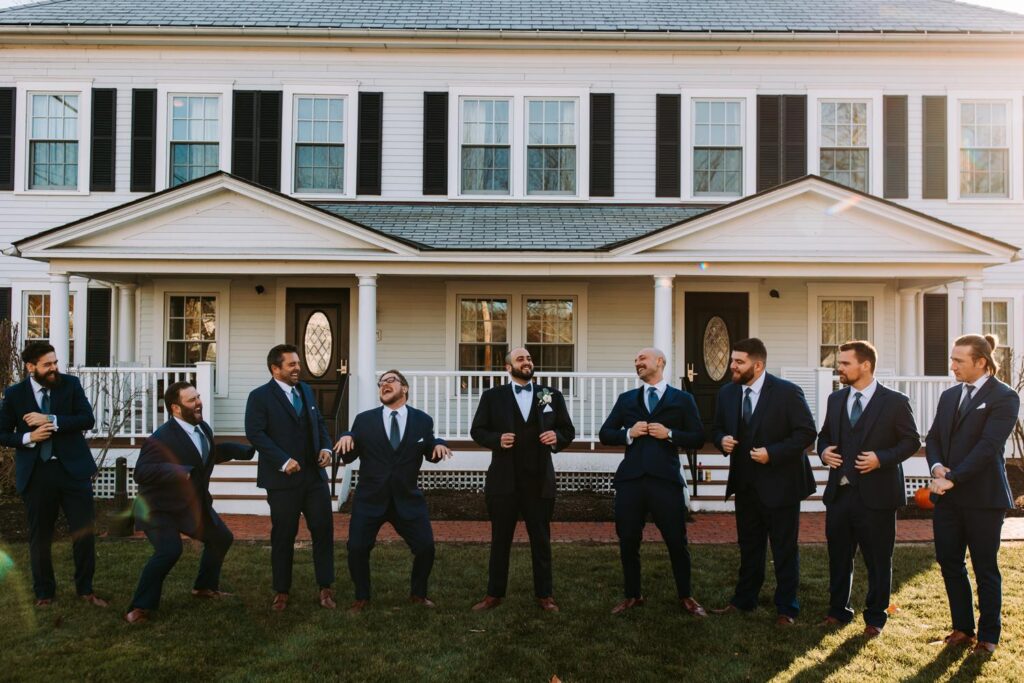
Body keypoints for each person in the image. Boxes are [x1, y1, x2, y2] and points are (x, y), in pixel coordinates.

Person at [125, 381, 255, 624]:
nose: (199, 403)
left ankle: (204, 588)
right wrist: (176, 470)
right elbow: (141, 472)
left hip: (191, 505)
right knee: (169, 551)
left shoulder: (202, 428)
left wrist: (245, 450)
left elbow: (207, 454)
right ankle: (140, 607)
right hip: (159, 508)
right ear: (175, 408)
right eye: (192, 400)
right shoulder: (161, 438)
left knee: (221, 538)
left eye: (198, 397)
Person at [711, 337, 816, 625]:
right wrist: (722, 440)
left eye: (738, 362)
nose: (732, 366)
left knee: (784, 548)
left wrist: (773, 453)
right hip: (745, 484)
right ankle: (744, 600)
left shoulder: (787, 392)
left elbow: (807, 433)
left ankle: (786, 608)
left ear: (757, 366)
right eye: (733, 360)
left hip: (781, 484)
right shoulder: (727, 393)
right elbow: (717, 427)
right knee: (749, 546)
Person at [816, 341, 919, 637]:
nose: (840, 367)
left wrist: (881, 458)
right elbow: (823, 436)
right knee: (838, 556)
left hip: (878, 496)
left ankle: (875, 618)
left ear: (865, 366)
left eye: (845, 363)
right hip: (840, 494)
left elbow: (911, 440)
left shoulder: (895, 401)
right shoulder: (836, 400)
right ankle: (838, 611)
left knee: (877, 559)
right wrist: (823, 452)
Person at [926, 334, 1019, 655]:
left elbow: (988, 446)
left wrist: (954, 478)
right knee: (949, 561)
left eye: (959, 361)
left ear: (981, 362)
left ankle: (988, 637)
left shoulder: (1005, 397)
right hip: (947, 497)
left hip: (984, 499)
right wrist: (937, 466)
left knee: (984, 566)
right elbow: (935, 435)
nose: (952, 366)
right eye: (952, 359)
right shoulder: (950, 395)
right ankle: (962, 629)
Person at [599, 347, 707, 616]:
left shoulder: (682, 399)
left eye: (642, 359)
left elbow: (698, 437)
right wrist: (628, 433)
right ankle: (632, 595)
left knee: (676, 540)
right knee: (628, 539)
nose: (637, 363)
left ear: (660, 362)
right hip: (631, 481)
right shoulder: (626, 400)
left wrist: (670, 433)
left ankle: (686, 596)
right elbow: (605, 433)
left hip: (665, 480)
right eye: (635, 360)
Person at [334, 370, 451, 613]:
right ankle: (362, 596)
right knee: (357, 548)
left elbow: (429, 448)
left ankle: (418, 594)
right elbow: (350, 450)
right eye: (381, 383)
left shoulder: (422, 420)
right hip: (370, 498)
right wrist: (345, 437)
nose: (384, 385)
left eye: (390, 381)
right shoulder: (364, 420)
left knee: (426, 548)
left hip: (407, 498)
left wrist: (439, 443)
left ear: (404, 388)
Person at [0, 341, 106, 608]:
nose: (54, 368)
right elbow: (2, 433)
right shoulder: (14, 394)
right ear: (30, 367)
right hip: (37, 473)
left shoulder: (69, 385)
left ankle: (85, 590)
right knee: (41, 536)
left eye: (55, 362)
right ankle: (44, 593)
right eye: (47, 364)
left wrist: (51, 420)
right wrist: (28, 437)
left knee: (83, 532)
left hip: (73, 471)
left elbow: (87, 419)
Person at [469, 347, 575, 612]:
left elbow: (568, 430)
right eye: (520, 359)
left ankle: (545, 595)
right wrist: (497, 439)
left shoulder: (548, 395)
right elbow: (477, 430)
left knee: (541, 539)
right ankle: (494, 594)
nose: (527, 362)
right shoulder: (493, 397)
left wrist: (557, 439)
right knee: (500, 539)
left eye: (528, 358)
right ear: (508, 368)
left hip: (538, 480)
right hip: (503, 480)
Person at [245, 344, 336, 611]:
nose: (298, 368)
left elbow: (319, 422)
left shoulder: (306, 390)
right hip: (282, 481)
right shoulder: (259, 397)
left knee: (322, 531)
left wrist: (326, 448)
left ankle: (325, 588)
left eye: (298, 363)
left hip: (314, 478)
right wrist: (283, 461)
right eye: (292, 364)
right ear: (276, 368)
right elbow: (255, 433)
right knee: (284, 534)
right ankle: (282, 590)